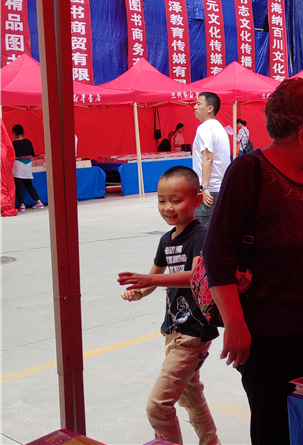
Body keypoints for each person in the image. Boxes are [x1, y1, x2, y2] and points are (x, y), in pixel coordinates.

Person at [203, 78, 303, 445]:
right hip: (268, 339)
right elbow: (217, 252)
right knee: (276, 431)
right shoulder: (248, 173)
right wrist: (235, 324)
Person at [117, 166, 220, 445]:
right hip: (173, 332)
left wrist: (150, 279)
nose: (167, 207)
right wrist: (138, 291)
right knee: (192, 397)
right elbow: (153, 280)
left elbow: (196, 276)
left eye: (176, 200)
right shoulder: (166, 240)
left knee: (158, 406)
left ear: (197, 200)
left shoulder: (201, 237)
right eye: (162, 200)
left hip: (194, 334)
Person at [193, 92, 231, 227]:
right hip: (220, 189)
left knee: (202, 233)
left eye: (198, 104)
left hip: (209, 192)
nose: (195, 107)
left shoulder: (205, 128)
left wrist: (204, 187)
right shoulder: (219, 128)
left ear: (210, 108)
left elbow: (208, 158)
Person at [11, 124, 44, 211]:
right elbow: (32, 154)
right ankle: (39, 202)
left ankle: (22, 205)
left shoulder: (13, 144)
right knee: (29, 185)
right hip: (28, 165)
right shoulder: (28, 142)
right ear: (23, 132)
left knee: (19, 186)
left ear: (14, 132)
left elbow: (12, 156)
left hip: (18, 164)